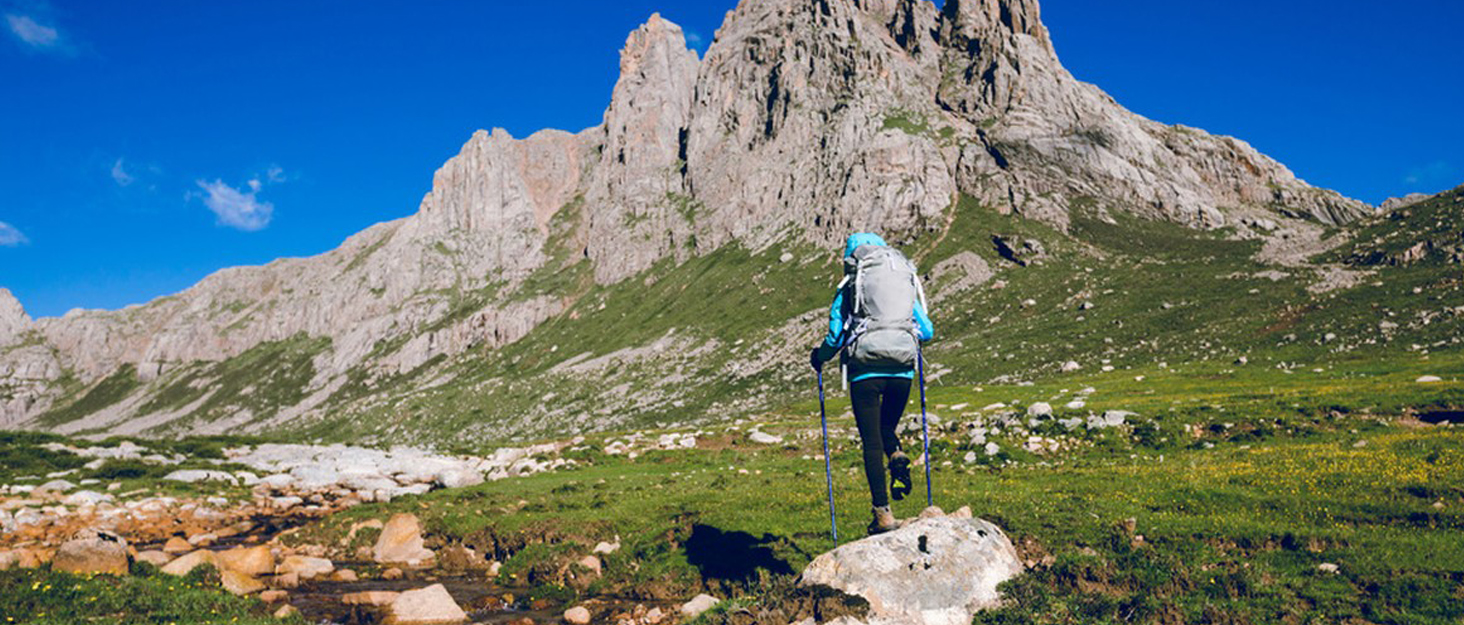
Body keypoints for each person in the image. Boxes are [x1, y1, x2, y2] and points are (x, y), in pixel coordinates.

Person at [809, 232, 933, 535]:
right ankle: (897, 455)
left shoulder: (851, 285)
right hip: (902, 371)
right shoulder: (901, 281)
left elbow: (836, 336)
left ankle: (883, 515)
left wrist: (819, 357)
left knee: (871, 440)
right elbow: (926, 331)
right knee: (886, 428)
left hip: (865, 372)